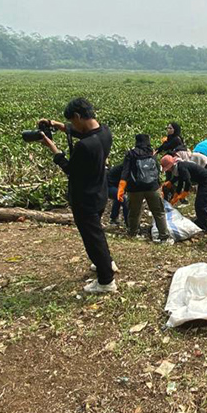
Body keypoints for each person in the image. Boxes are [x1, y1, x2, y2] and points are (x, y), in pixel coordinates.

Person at [36, 98, 117, 293]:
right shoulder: (104, 132)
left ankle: (106, 281)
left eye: (72, 121)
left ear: (79, 117)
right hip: (100, 192)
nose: (72, 125)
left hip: (85, 198)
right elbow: (86, 135)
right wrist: (59, 126)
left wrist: (52, 148)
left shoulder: (85, 146)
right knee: (97, 233)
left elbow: (70, 169)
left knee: (92, 238)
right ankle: (105, 263)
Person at [118, 134, 172, 242]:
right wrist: (158, 186)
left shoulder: (131, 154)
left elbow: (125, 171)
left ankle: (133, 233)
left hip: (134, 189)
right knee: (159, 212)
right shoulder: (151, 153)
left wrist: (121, 188)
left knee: (134, 212)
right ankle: (164, 237)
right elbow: (157, 170)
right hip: (152, 188)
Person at [161, 154, 207, 231]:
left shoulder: (181, 167)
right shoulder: (178, 168)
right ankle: (200, 221)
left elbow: (187, 181)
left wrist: (185, 192)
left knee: (202, 204)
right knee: (198, 204)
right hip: (202, 182)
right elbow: (180, 181)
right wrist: (175, 194)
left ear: (170, 166)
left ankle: (205, 226)